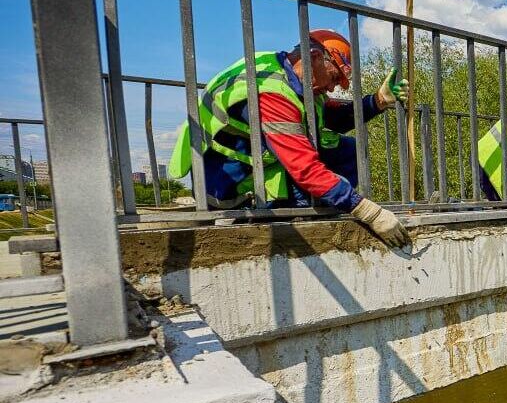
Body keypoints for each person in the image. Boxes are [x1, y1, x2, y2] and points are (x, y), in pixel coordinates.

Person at [168, 29, 410, 247]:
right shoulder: (272, 92)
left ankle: (313, 211)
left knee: (348, 150)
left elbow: (330, 117)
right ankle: (303, 233)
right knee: (309, 179)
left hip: (258, 169)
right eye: (335, 78)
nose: (333, 88)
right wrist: (369, 212)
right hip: (229, 185)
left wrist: (377, 102)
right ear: (314, 58)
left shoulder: (292, 78)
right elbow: (304, 168)